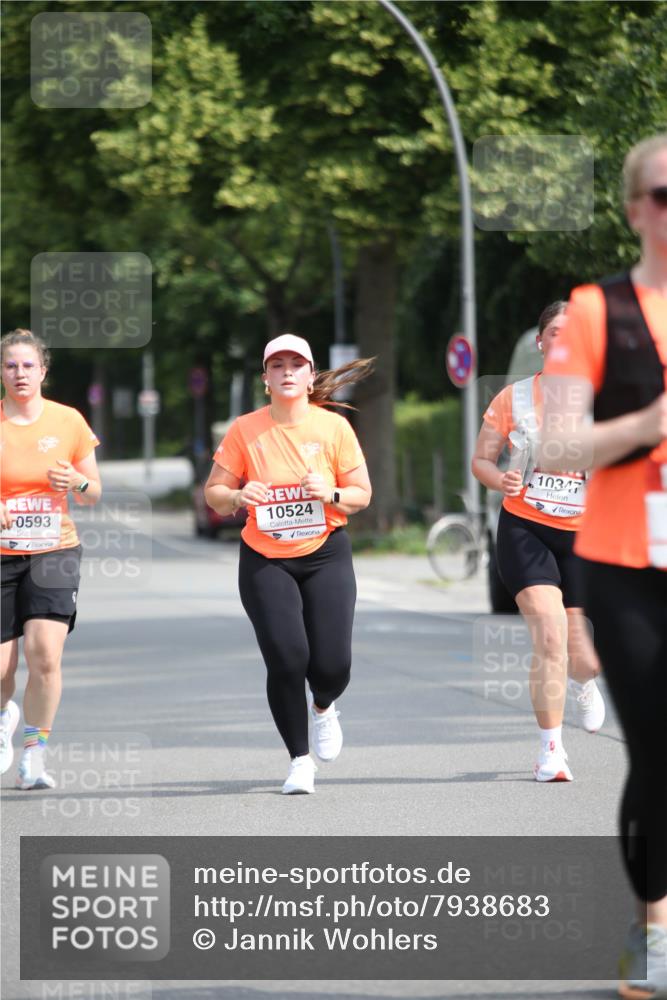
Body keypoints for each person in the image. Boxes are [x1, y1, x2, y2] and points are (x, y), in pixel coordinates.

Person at [542, 134, 667, 999]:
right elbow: (555, 443)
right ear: (633, 208)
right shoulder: (594, 310)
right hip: (627, 564)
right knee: (659, 757)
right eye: (663, 194)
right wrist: (647, 422)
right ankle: (651, 933)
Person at [205, 334, 372, 794]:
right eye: (277, 365)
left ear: (311, 374)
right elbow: (214, 494)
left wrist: (331, 494)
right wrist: (238, 495)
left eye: (296, 364)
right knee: (286, 658)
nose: (287, 372)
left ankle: (323, 706)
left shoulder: (333, 429)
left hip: (325, 553)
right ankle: (300, 761)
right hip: (264, 558)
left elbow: (361, 495)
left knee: (333, 666)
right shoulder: (245, 429)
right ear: (266, 379)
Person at [471, 302, 605, 783]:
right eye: (555, 332)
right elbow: (482, 460)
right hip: (526, 528)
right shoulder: (514, 398)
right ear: (542, 343)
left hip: (588, 534)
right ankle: (551, 751)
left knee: (583, 656)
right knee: (548, 636)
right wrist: (499, 480)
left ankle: (586, 682)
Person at [0, 329, 101, 789]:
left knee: (44, 654)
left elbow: (93, 493)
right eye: (10, 365)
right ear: (2, 373)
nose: (19, 373)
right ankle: (5, 715)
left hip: (54, 548)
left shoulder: (68, 422)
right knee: (2, 670)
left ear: (43, 370)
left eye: (27, 365)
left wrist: (75, 483)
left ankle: (35, 752)